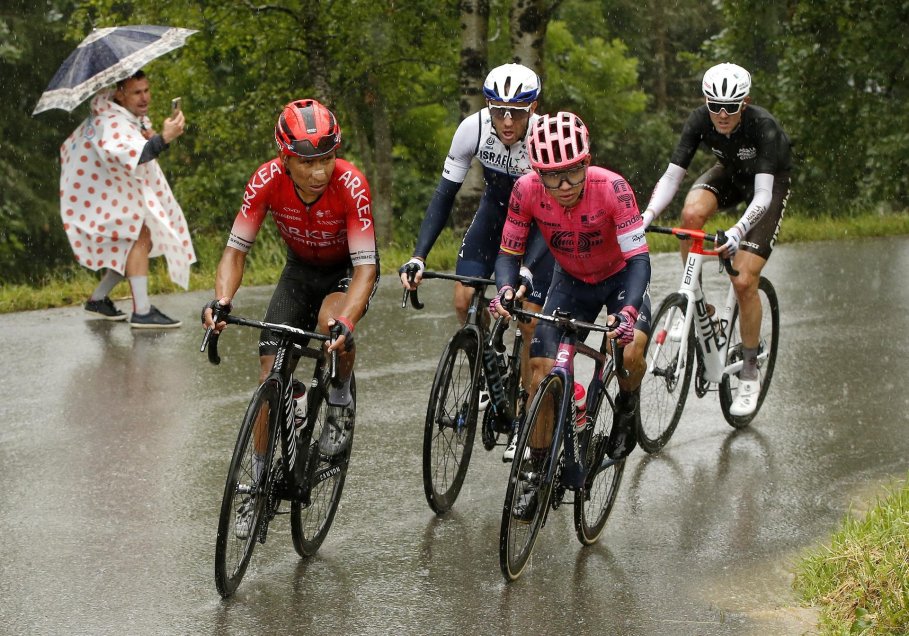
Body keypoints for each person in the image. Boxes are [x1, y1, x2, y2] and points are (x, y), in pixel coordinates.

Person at [201, 99, 378, 537]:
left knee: (328, 324)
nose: (320, 171)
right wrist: (221, 300)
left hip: (345, 273)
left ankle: (338, 400)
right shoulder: (265, 180)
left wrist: (347, 323)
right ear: (285, 158)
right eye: (307, 162)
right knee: (270, 374)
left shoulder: (351, 184)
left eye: (326, 158)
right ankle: (256, 480)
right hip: (298, 272)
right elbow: (235, 251)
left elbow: (366, 268)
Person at [491, 111, 652, 516]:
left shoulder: (613, 188)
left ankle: (627, 408)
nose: (563, 185)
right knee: (541, 369)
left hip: (619, 280)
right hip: (572, 281)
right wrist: (507, 289)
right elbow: (508, 253)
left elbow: (639, 261)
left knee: (630, 353)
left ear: (586, 161)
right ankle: (538, 466)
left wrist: (629, 311)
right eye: (552, 175)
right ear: (536, 172)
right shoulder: (526, 190)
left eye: (572, 172)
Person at [398, 63, 555, 459]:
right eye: (498, 109)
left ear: (533, 108)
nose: (506, 120)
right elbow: (444, 195)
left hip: (537, 226)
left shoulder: (543, 138)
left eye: (516, 112)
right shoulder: (473, 128)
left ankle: (523, 412)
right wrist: (419, 255)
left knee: (529, 320)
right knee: (463, 300)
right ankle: (489, 366)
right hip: (494, 214)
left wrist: (527, 267)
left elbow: (554, 214)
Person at [641, 62, 792, 417]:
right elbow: (673, 176)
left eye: (731, 106)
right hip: (731, 175)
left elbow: (763, 196)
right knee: (690, 217)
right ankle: (693, 300)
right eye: (714, 106)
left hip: (767, 185)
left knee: (744, 279)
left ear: (745, 102)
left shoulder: (764, 126)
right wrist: (646, 217)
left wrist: (738, 231)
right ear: (706, 103)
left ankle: (751, 371)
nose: (722, 115)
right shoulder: (699, 120)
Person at [60, 70, 195, 328]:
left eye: (146, 90)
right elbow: (133, 154)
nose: (144, 98)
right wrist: (163, 138)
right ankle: (142, 311)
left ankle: (98, 299)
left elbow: (136, 146)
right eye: (137, 92)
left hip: (112, 190)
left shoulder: (126, 115)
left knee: (133, 241)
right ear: (120, 94)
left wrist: (152, 135)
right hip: (100, 194)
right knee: (138, 236)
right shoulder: (111, 122)